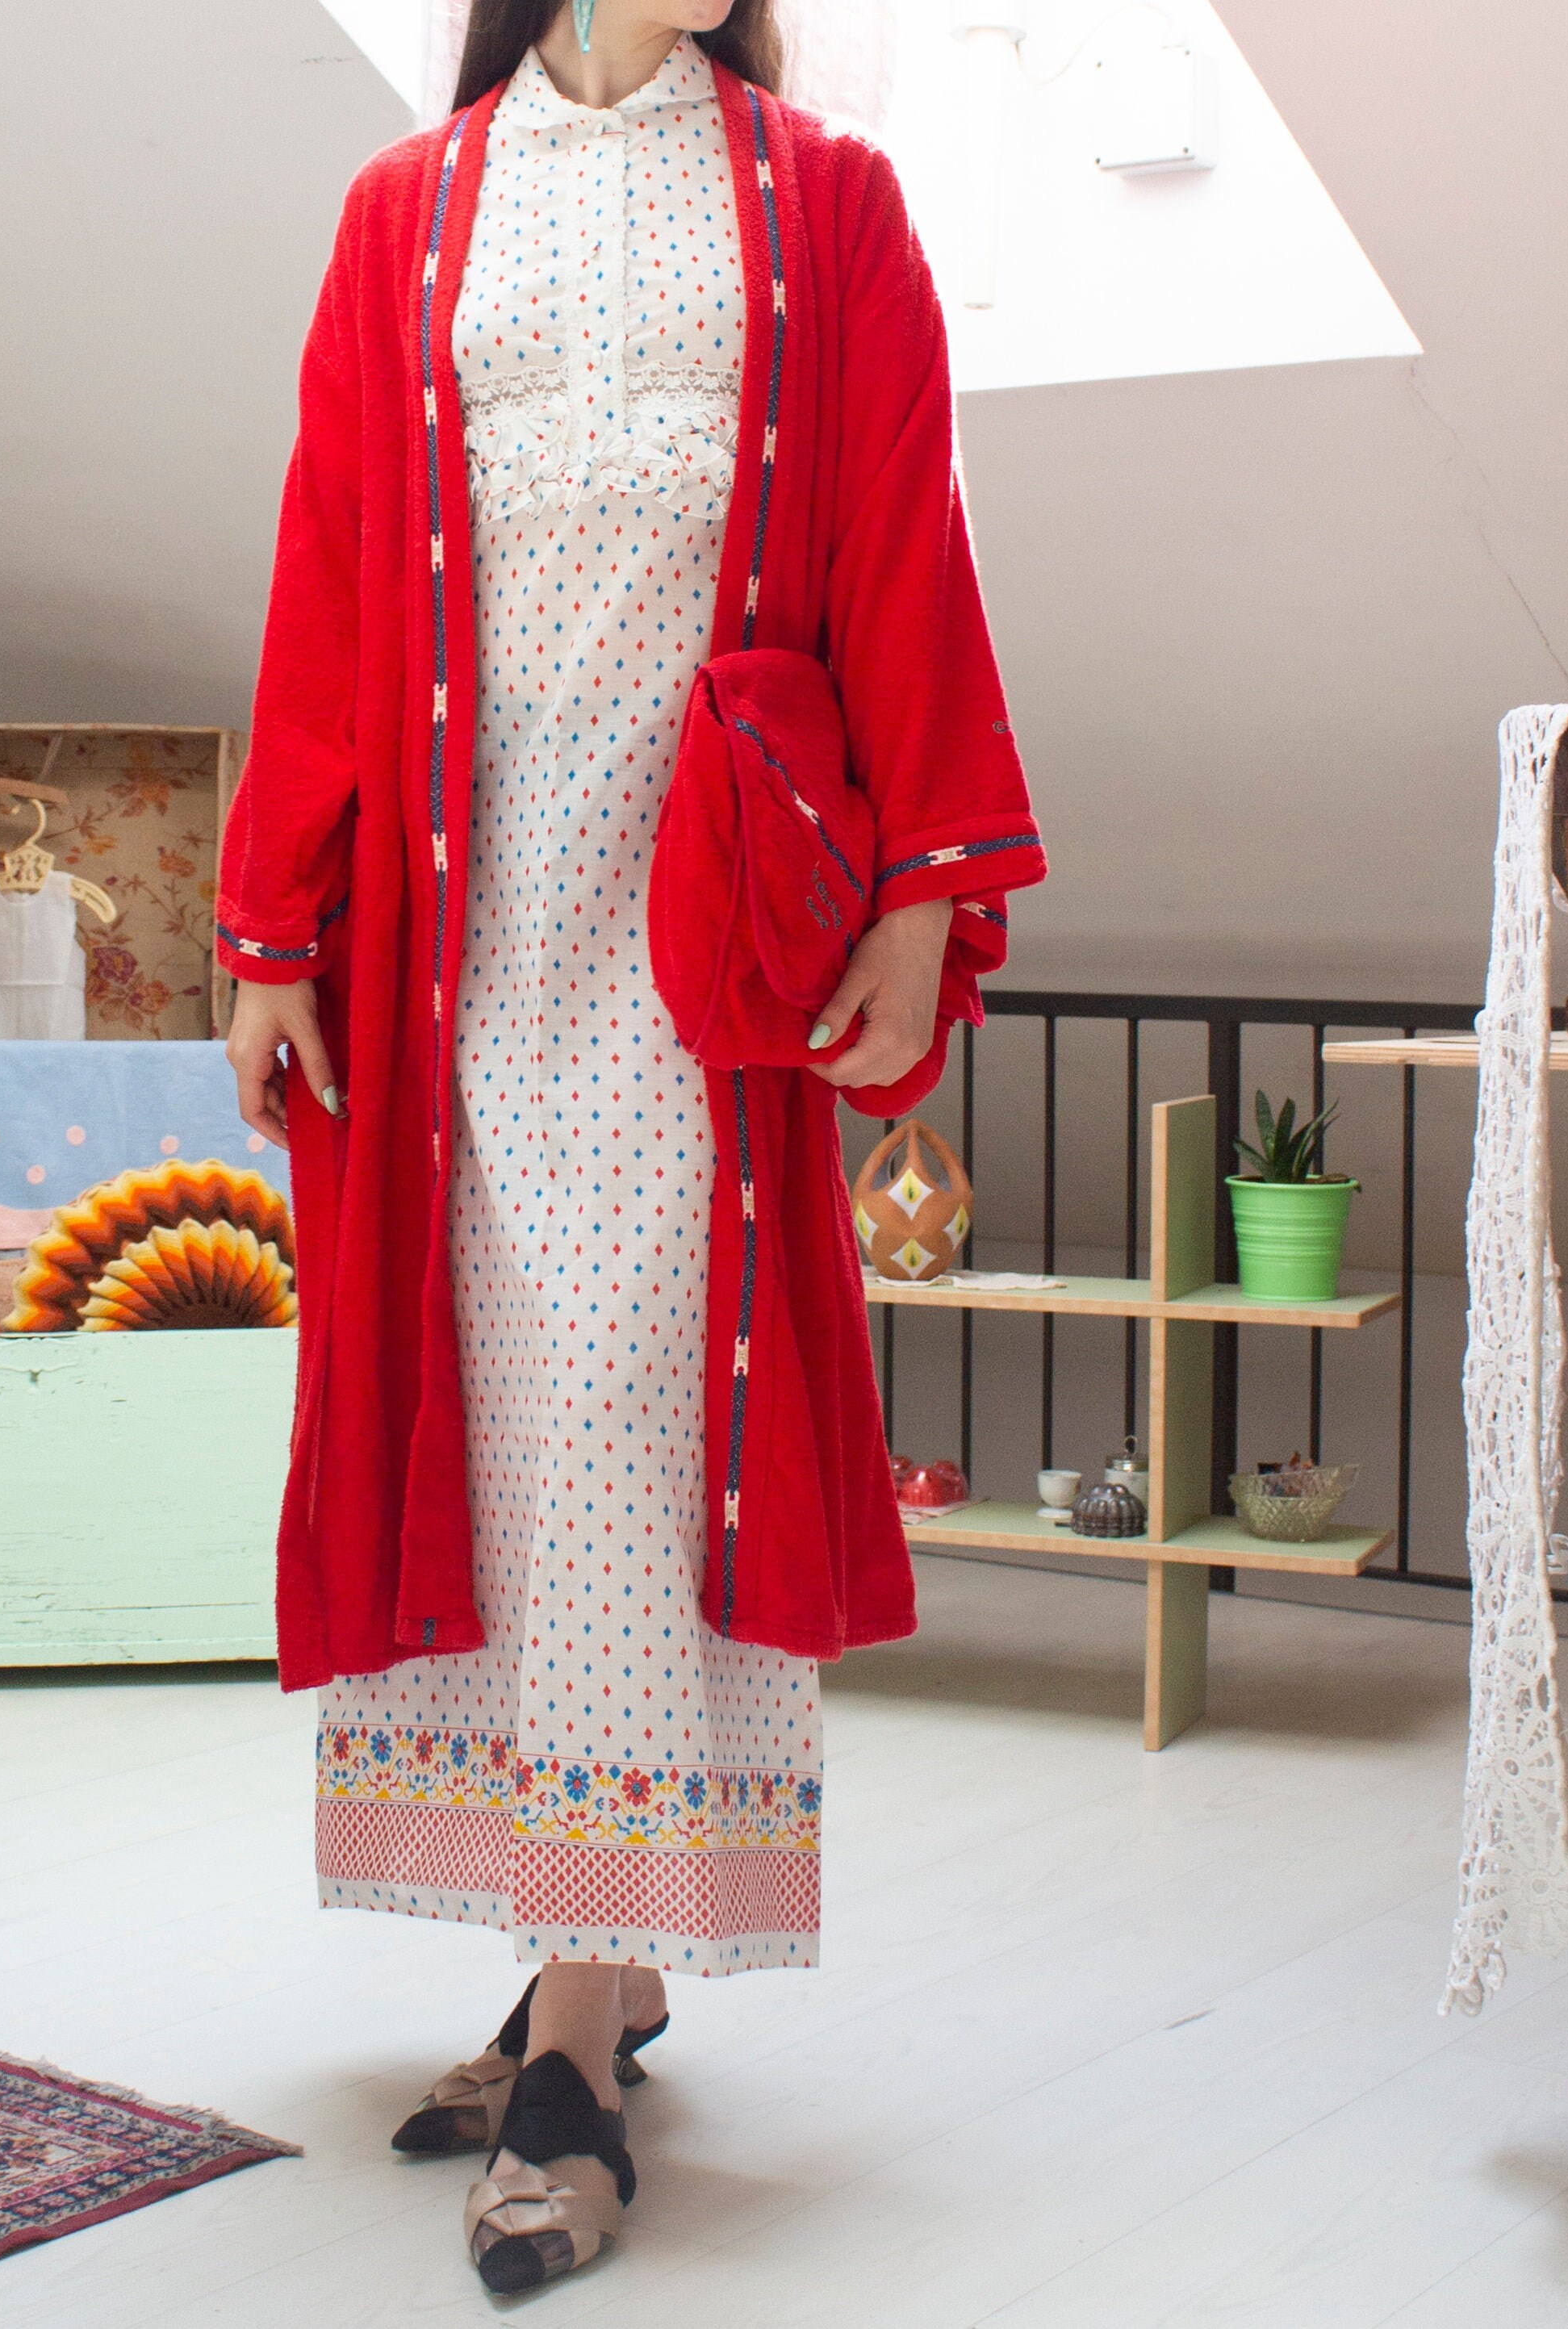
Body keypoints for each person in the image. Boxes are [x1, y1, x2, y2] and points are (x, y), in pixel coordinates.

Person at [219, 0, 1044, 2290]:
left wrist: (921, 897)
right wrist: (273, 923)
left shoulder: (827, 201)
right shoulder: (409, 212)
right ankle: (602, 1958)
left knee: (627, 1430)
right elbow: (327, 568)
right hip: (454, 949)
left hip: (697, 967)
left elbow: (904, 542)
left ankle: (574, 2055)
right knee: (501, 1436)